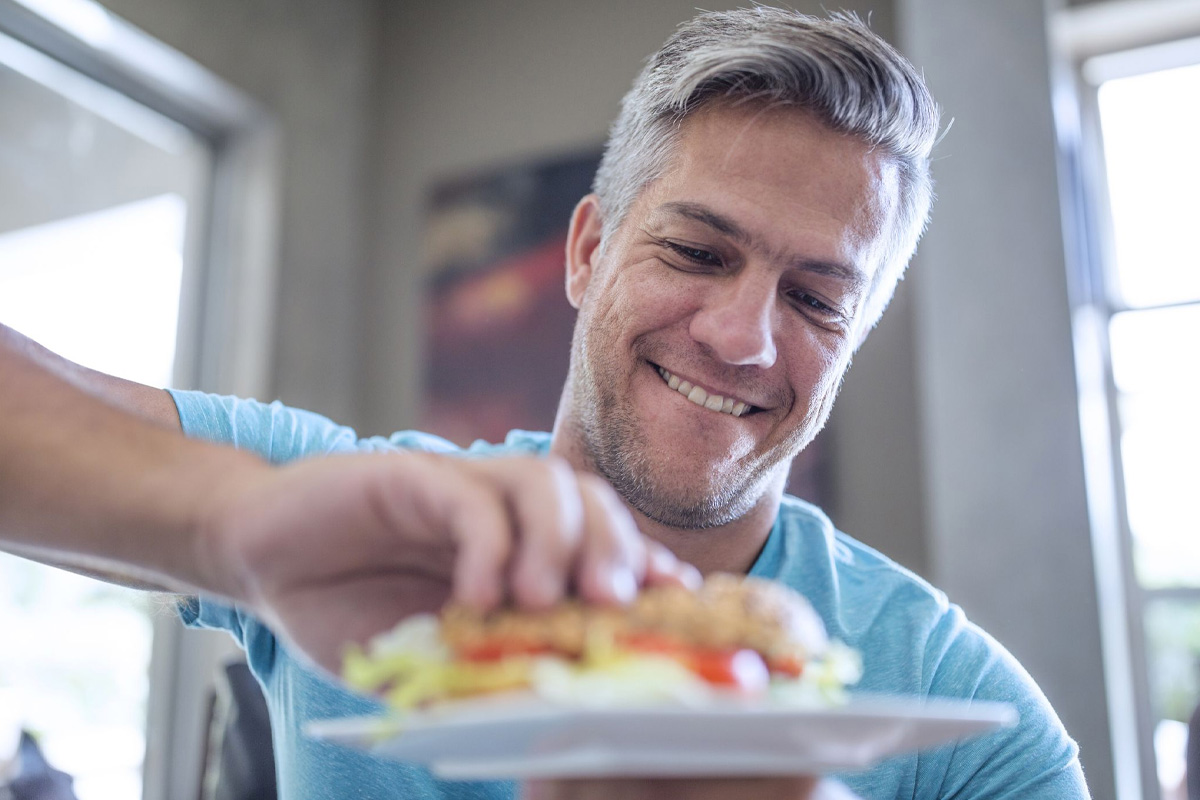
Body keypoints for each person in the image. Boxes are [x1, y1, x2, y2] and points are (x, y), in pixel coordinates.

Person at [0, 7, 1089, 800]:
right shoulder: (364, 513)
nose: (744, 337)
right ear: (585, 251)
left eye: (815, 298)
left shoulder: (966, 714)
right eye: (697, 251)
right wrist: (233, 524)